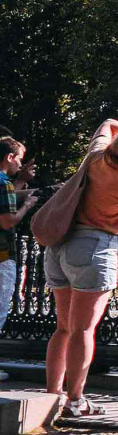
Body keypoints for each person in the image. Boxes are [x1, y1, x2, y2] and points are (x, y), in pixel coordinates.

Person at [48, 120, 118, 418]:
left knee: (63, 328)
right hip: (93, 248)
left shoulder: (95, 156)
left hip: (59, 245)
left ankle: (52, 397)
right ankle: (75, 401)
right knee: (83, 330)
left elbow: (106, 123)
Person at [0, 137, 35, 360]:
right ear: (9, 157)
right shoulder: (3, 182)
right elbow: (7, 221)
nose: (20, 165)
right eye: (19, 160)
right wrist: (28, 205)